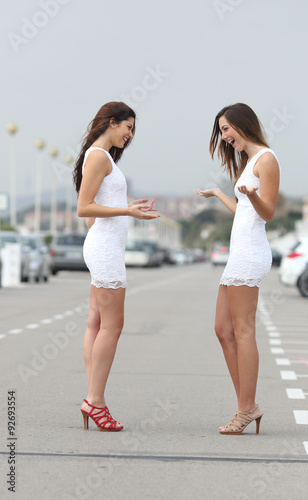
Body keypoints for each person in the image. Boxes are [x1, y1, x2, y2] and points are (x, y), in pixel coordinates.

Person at [73, 101, 160, 432]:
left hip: (102, 247)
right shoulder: (98, 156)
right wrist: (127, 213)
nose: (130, 134)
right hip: (105, 251)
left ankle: (94, 399)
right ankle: (95, 402)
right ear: (111, 122)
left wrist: (125, 206)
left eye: (133, 129)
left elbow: (95, 209)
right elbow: (84, 209)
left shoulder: (100, 156)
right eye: (128, 127)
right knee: (112, 325)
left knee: (96, 323)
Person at [197, 103, 280, 435]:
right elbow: (244, 210)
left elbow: (267, 212)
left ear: (243, 124)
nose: (224, 136)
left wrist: (252, 195)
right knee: (222, 329)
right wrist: (220, 193)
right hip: (239, 254)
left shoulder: (267, 160)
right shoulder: (250, 163)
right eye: (221, 130)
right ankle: (248, 404)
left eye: (227, 128)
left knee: (243, 331)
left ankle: (246, 409)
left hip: (251, 254)